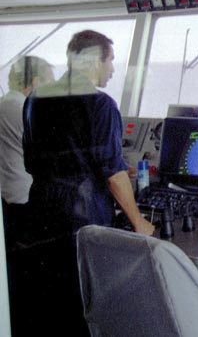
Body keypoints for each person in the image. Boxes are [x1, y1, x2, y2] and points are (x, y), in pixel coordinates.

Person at [15, 30, 154, 336]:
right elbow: (114, 176)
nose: (113, 69)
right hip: (81, 218)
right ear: (95, 61)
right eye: (111, 61)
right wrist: (138, 221)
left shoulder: (36, 99)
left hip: (39, 212)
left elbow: (30, 159)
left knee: (49, 304)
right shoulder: (101, 105)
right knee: (84, 306)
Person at [1, 56, 54, 250]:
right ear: (36, 82)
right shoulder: (25, 109)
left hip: (8, 199)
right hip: (26, 201)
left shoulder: (5, 103)